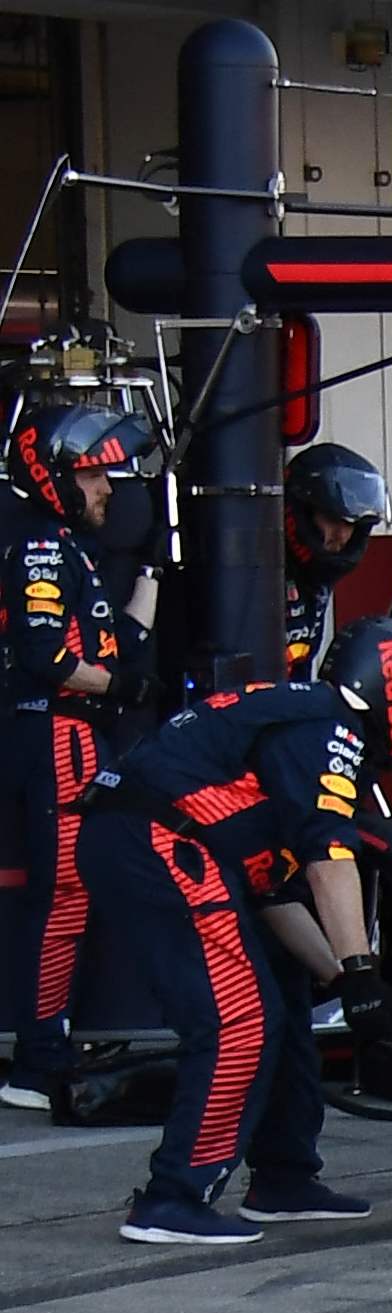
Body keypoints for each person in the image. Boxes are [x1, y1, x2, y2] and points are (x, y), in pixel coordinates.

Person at [88, 618, 392, 1244]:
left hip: (149, 837)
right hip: (159, 841)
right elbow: (329, 860)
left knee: (283, 995)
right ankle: (173, 1197)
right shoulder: (332, 727)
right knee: (239, 1019)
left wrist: (340, 977)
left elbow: (271, 890)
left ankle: (283, 1177)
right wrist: (361, 974)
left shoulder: (298, 716)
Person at [1, 402, 149, 1114]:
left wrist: (153, 566)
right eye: (95, 475)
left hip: (71, 731)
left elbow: (116, 638)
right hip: (56, 731)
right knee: (62, 895)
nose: (107, 490)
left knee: (69, 894)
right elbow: (45, 657)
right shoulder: (37, 545)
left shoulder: (63, 542)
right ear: (53, 472)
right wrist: (119, 685)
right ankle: (38, 1061)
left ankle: (46, 1042)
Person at [281, 441, 387, 676]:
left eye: (350, 525)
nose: (341, 536)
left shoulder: (317, 580)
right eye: (331, 518)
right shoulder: (264, 569)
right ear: (301, 510)